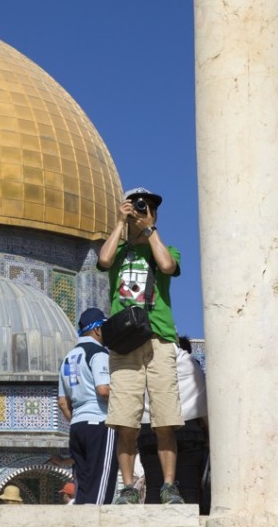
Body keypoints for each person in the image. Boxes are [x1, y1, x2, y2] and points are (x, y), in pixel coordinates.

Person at [96, 188, 184, 505]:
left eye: (148, 208)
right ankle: (129, 487)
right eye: (136, 206)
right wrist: (121, 224)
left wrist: (148, 229)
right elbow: (103, 260)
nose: (141, 210)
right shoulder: (117, 249)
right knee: (125, 421)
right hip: (125, 343)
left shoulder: (166, 246)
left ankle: (169, 486)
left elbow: (166, 266)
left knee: (165, 419)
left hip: (159, 338)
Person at [137, 335, 209, 510]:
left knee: (154, 489)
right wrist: (209, 435)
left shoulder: (143, 363)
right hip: (188, 431)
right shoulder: (189, 364)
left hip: (150, 431)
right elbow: (203, 404)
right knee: (188, 491)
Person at [57, 307, 116, 505]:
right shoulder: (98, 353)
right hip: (99, 422)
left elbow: (63, 402)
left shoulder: (68, 358)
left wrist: (75, 418)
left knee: (83, 486)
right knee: (101, 484)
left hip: (77, 426)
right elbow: (103, 390)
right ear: (98, 329)